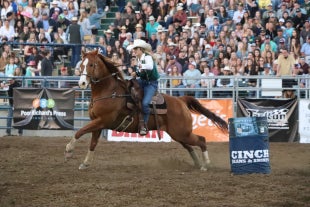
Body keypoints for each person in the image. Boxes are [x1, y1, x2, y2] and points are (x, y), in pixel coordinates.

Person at [127, 39, 159, 136]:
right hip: (143, 81)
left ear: (140, 49)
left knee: (145, 103)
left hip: (151, 84)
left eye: (135, 49)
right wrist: (135, 73)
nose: (134, 51)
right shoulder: (140, 59)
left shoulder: (147, 57)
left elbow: (149, 67)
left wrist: (139, 67)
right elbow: (142, 72)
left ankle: (144, 124)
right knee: (128, 86)